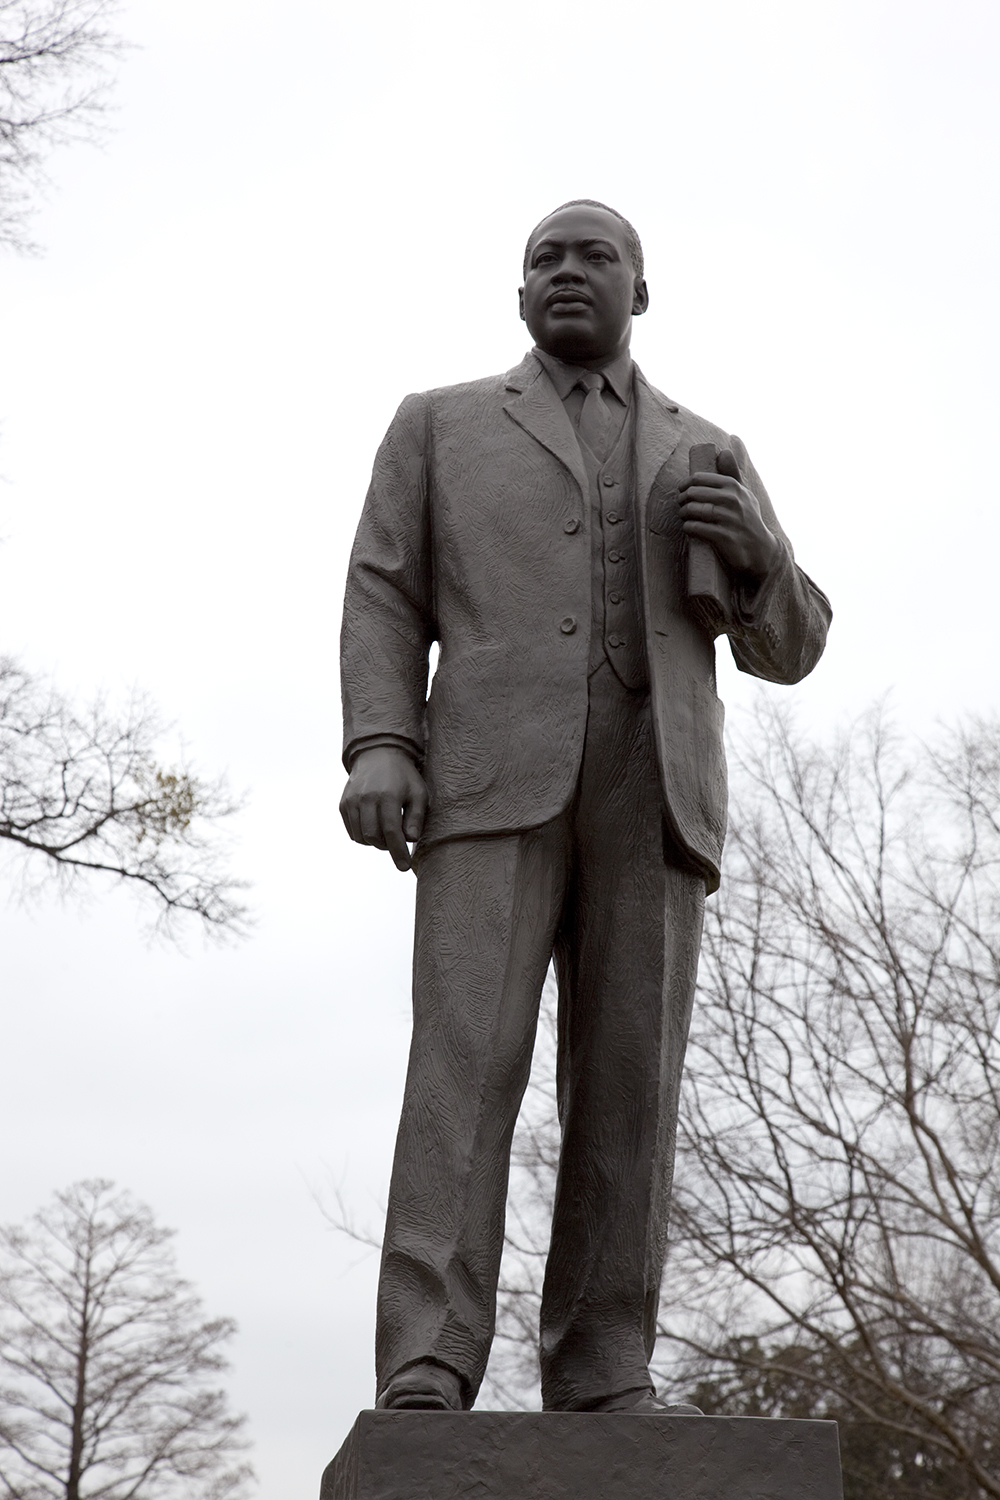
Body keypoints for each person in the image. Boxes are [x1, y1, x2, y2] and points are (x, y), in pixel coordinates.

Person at [339, 199, 830, 1415]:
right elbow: (384, 592)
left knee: (629, 1088)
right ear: (517, 298)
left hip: (654, 792)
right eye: (543, 259)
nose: (567, 272)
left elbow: (796, 644)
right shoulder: (439, 426)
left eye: (594, 255)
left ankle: (606, 1366)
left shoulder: (707, 444)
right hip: (487, 783)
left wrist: (760, 555)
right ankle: (427, 1360)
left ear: (639, 293)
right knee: (463, 1067)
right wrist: (382, 742)